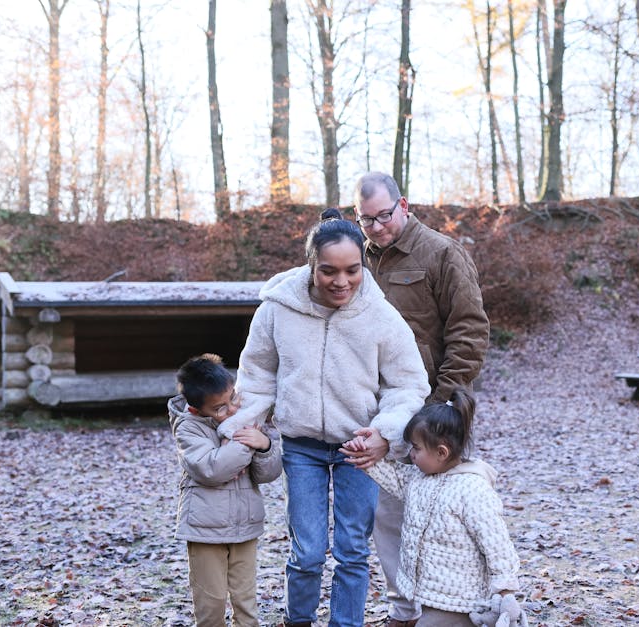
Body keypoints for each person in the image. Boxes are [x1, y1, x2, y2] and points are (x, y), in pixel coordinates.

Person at [215, 209, 430, 627]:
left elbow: (408, 386)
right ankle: (298, 621)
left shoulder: (381, 315)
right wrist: (241, 424)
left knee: (352, 548)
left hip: (360, 451)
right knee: (308, 550)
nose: (341, 281)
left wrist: (385, 434)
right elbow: (257, 375)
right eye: (329, 271)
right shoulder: (277, 310)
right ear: (312, 265)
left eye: (352, 270)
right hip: (302, 448)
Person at [352, 171, 491, 627]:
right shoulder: (356, 259)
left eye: (384, 216)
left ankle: (457, 606)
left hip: (429, 411)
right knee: (388, 515)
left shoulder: (441, 253)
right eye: (365, 219)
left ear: (404, 205)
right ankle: (406, 609)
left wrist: (443, 405)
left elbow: (469, 330)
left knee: (443, 516)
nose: (376, 227)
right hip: (376, 409)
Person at [342, 389, 526, 627]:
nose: (411, 454)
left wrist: (504, 591)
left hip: (461, 600)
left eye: (416, 448)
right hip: (430, 594)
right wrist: (363, 453)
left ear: (441, 452)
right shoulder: (419, 479)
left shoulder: (473, 490)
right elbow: (393, 476)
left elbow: (496, 543)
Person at [168, 353, 283, 627]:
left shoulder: (243, 420)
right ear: (197, 409)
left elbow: (268, 473)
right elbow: (212, 469)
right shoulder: (188, 428)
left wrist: (264, 445)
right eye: (220, 408)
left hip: (245, 525)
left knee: (246, 599)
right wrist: (246, 442)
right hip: (205, 529)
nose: (231, 410)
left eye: (233, 399)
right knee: (212, 602)